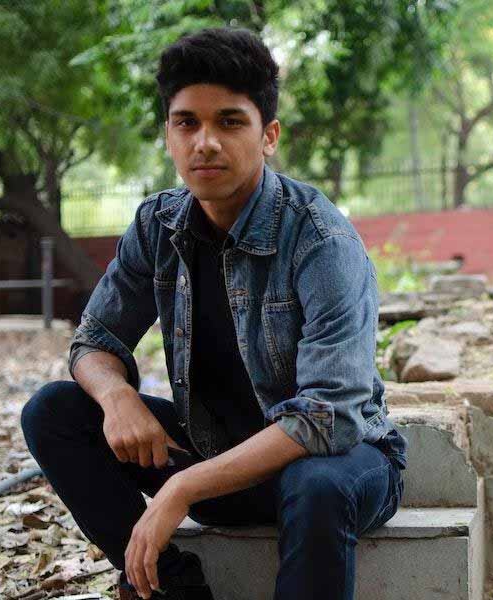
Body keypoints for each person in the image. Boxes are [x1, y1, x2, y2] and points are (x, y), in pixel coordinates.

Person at [21, 27, 407, 600]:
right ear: (169, 134)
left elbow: (325, 418)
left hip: (342, 465)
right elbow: (94, 340)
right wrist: (117, 396)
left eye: (229, 122)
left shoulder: (320, 239)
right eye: (187, 123)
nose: (205, 143)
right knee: (53, 410)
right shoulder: (158, 224)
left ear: (268, 135)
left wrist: (181, 490)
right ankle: (170, 587)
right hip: (216, 456)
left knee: (317, 482)